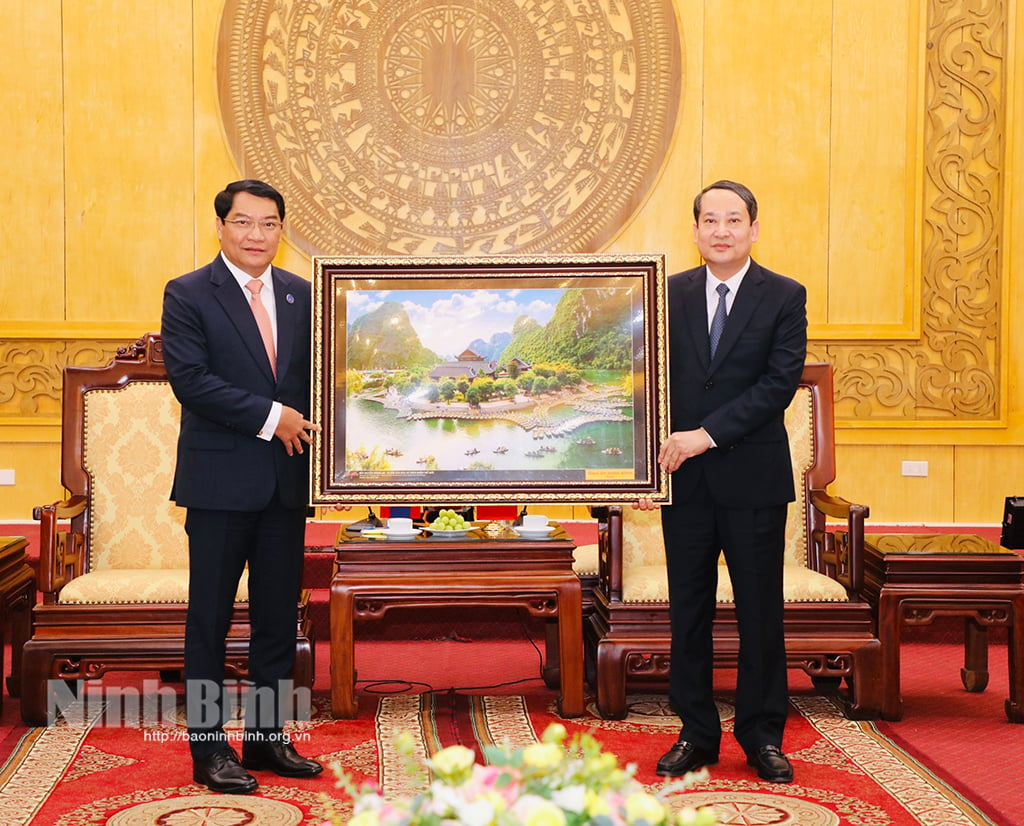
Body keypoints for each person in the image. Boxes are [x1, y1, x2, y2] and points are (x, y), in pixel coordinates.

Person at [639, 180, 807, 783]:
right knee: (690, 612)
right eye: (710, 220)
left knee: (761, 613)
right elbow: (643, 383)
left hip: (752, 478)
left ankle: (763, 736)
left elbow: (777, 386)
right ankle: (695, 733)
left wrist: (702, 436)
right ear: (695, 229)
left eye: (733, 220)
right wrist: (639, 459)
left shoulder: (784, 296)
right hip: (681, 481)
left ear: (754, 228)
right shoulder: (666, 294)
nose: (721, 231)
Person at [161, 179, 323, 794]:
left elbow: (324, 382)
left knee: (279, 619)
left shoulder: (302, 295)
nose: (257, 235)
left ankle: (265, 736)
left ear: (282, 231)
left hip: (285, 484)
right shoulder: (189, 293)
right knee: (208, 621)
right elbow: (192, 381)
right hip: (219, 484)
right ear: (222, 227)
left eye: (270, 224)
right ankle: (209, 751)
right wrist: (270, 417)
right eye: (244, 223)